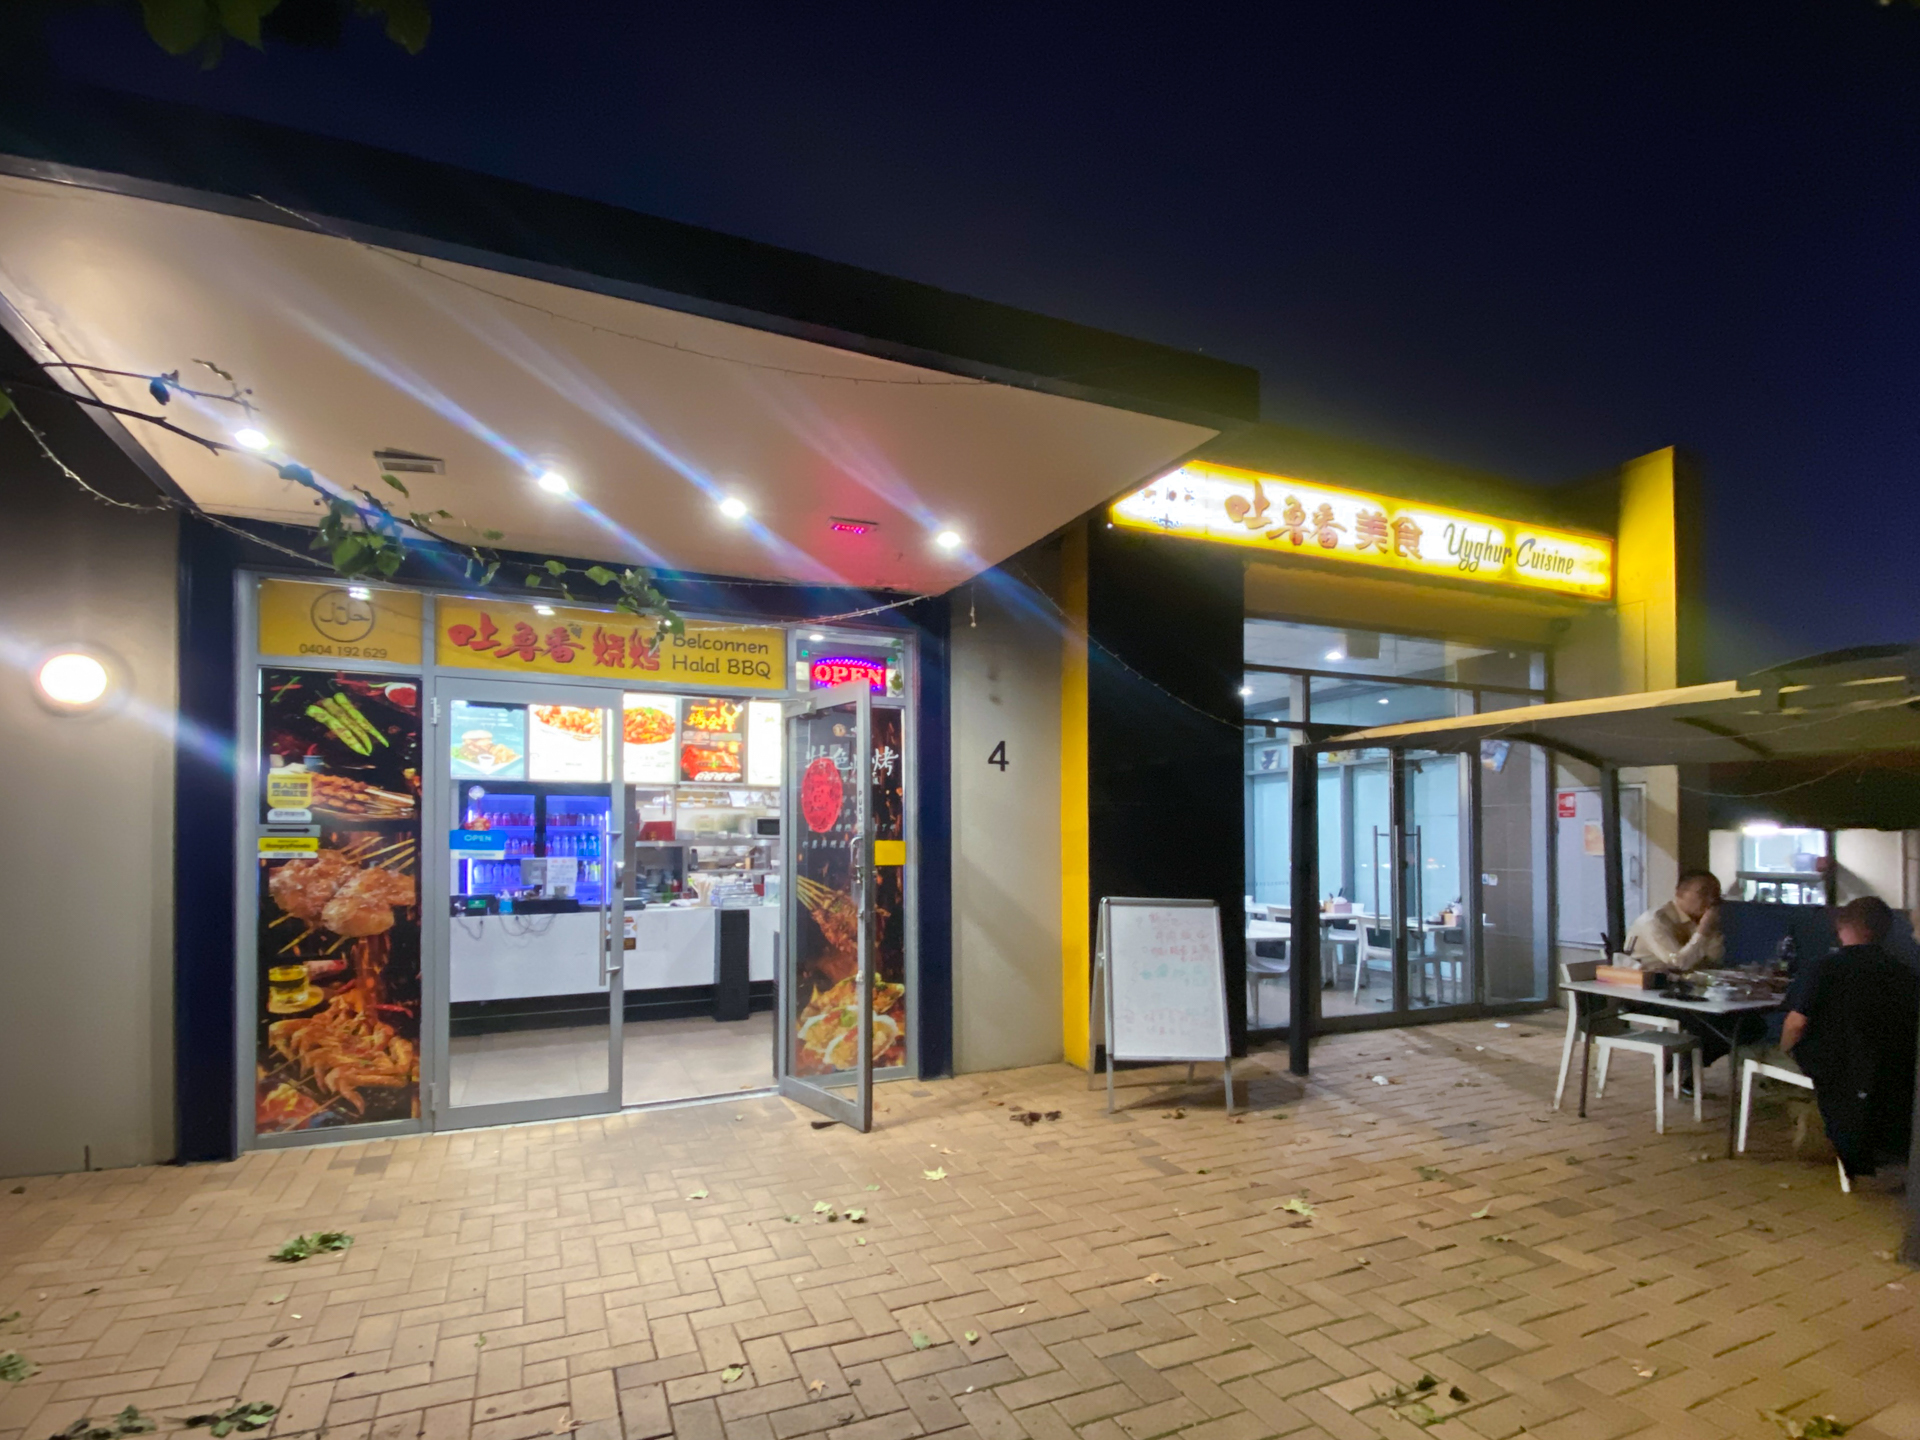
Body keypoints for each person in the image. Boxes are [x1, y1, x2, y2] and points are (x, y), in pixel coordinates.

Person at [1779, 895, 1918, 1181]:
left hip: (1835, 1068)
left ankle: (1810, 1118)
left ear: (1843, 927)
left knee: (1765, 1059)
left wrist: (1784, 1050)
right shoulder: (1907, 974)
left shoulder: (1824, 968)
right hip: (1887, 1073)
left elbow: (1796, 1024)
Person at [1623, 870, 1724, 973]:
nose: (1711, 900)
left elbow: (1714, 960)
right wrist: (1703, 931)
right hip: (1649, 982)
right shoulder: (1654, 921)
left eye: (1716, 895)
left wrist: (1711, 931)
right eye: (1703, 893)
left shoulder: (1701, 919)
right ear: (1679, 892)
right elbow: (1678, 964)